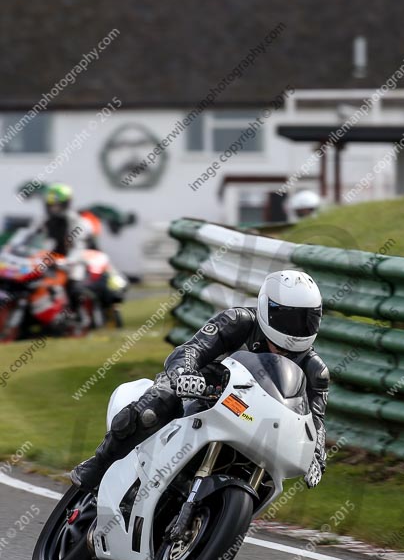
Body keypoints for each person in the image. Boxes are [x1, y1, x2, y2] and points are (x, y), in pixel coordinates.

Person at [71, 270, 330, 491]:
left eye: (306, 321)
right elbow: (191, 349)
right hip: (205, 392)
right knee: (154, 406)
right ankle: (99, 463)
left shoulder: (315, 370)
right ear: (267, 309)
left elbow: (315, 422)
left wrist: (316, 454)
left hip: (254, 422)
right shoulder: (238, 321)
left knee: (269, 479)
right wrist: (184, 374)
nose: (296, 330)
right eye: (288, 319)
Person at [37, 184, 90, 323]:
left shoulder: (76, 221)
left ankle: (79, 317)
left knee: (75, 288)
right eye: (51, 205)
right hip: (48, 262)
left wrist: (66, 261)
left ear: (66, 203)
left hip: (70, 263)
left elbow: (78, 248)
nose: (53, 208)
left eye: (57, 205)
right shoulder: (43, 220)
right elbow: (31, 236)